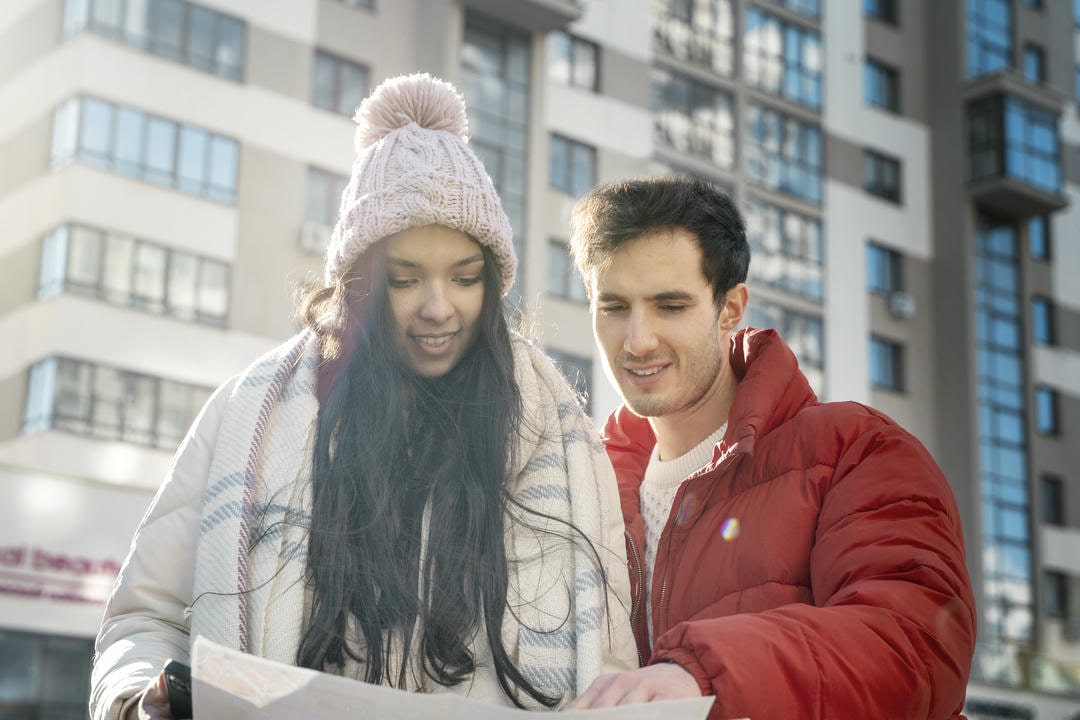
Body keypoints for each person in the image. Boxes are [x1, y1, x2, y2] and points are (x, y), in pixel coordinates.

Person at [90, 73, 636, 720]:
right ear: (359, 286)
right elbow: (142, 617)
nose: (439, 308)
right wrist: (137, 699)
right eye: (405, 280)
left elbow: (607, 666)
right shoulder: (248, 416)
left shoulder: (559, 432)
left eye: (465, 279)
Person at [566, 176, 977, 720]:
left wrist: (702, 675)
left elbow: (914, 645)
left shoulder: (857, 452)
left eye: (670, 306)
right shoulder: (580, 490)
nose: (638, 340)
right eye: (614, 307)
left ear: (730, 308)